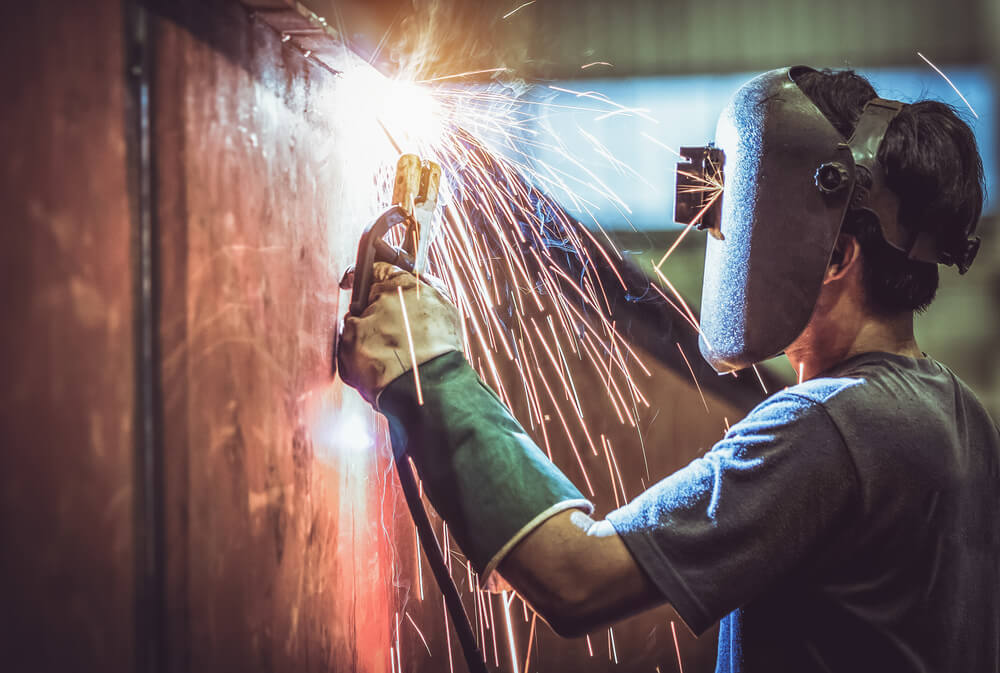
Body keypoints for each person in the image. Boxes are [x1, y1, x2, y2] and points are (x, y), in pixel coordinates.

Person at [338, 67, 999, 672]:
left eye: (741, 222)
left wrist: (433, 371)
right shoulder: (961, 416)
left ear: (835, 259)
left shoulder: (826, 429)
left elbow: (574, 576)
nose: (723, 238)